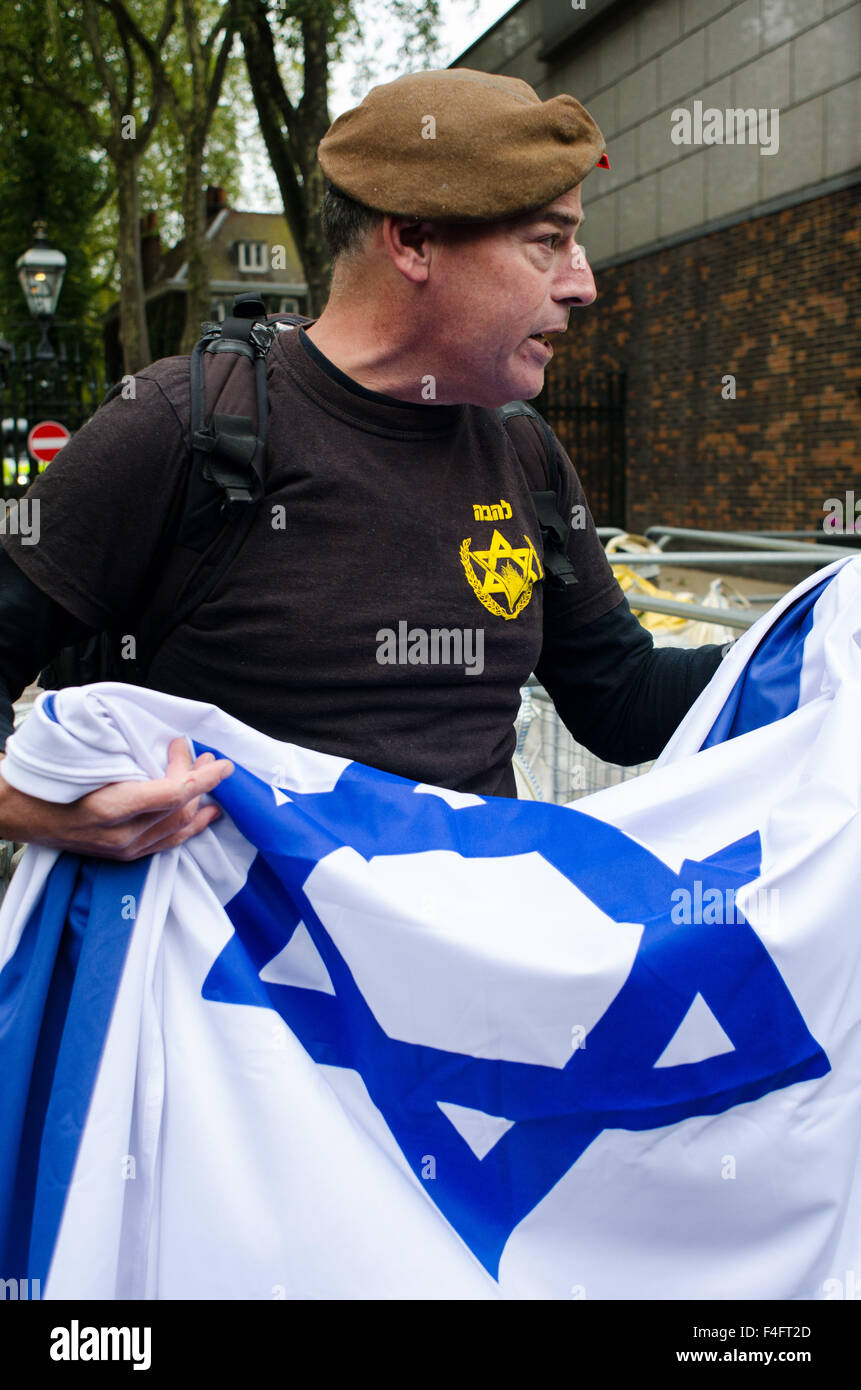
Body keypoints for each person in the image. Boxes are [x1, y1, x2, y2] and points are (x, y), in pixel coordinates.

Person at [0, 68, 727, 861]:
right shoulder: (185, 422)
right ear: (413, 239)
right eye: (547, 241)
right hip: (219, 977)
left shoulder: (524, 451)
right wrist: (28, 809)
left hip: (456, 964)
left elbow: (620, 701)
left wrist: (822, 636)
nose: (581, 284)